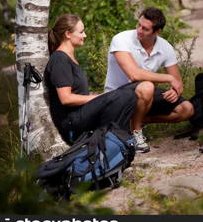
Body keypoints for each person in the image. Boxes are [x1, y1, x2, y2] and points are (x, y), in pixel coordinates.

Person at [45, 14, 152, 153]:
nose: (85, 35)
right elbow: (66, 99)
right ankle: (114, 140)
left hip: (81, 114)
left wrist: (103, 97)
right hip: (72, 123)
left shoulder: (69, 58)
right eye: (81, 31)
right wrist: (100, 97)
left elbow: (80, 94)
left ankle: (125, 136)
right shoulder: (59, 59)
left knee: (134, 88)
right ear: (68, 34)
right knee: (122, 96)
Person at [104, 7, 195, 150]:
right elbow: (134, 74)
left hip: (144, 96)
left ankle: (139, 121)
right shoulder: (121, 39)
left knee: (187, 109)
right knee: (147, 86)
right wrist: (168, 78)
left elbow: (177, 82)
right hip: (117, 96)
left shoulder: (165, 47)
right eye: (138, 25)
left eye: (145, 29)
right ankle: (135, 134)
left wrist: (175, 91)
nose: (139, 30)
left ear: (157, 32)